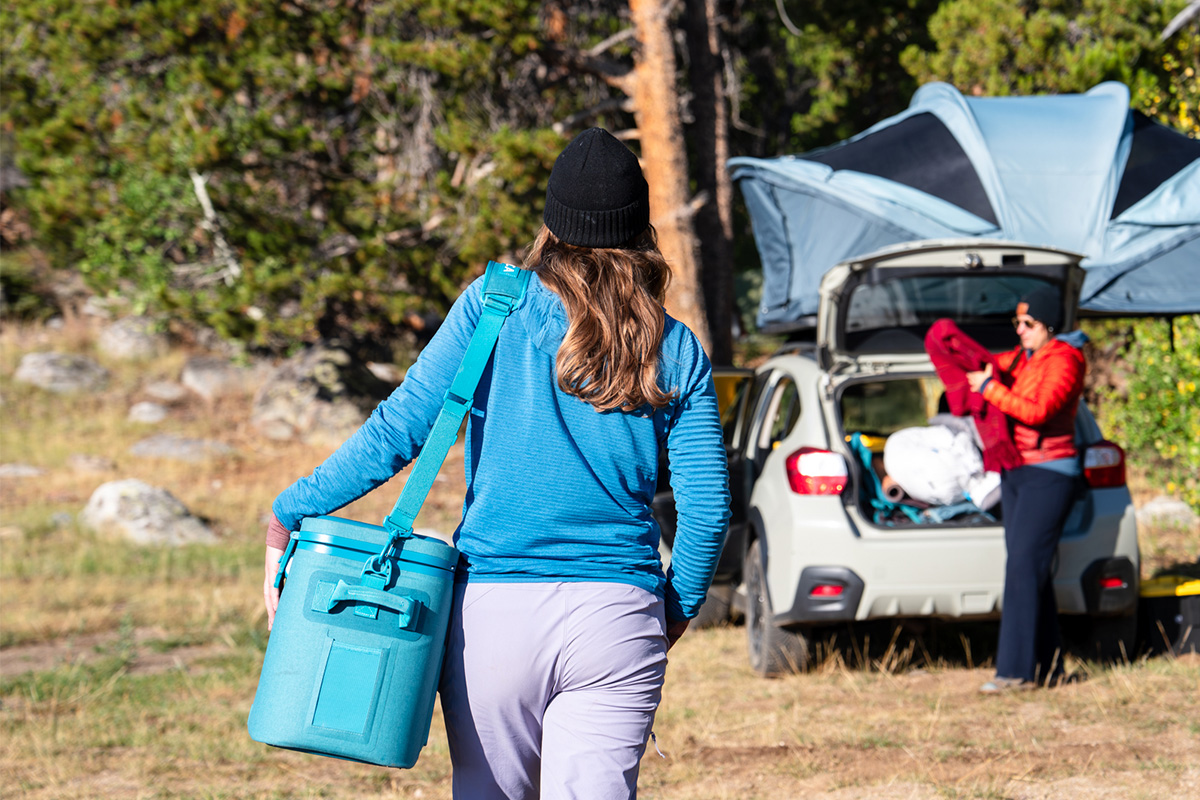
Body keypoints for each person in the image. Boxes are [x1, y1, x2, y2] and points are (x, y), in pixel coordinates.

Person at [261, 127, 731, 798]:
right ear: (640, 229)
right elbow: (708, 510)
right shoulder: (675, 346)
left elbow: (399, 431)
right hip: (617, 615)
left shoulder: (493, 309)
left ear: (551, 225)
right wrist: (672, 610)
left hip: (492, 613)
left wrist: (290, 511)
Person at [966, 285, 1087, 693]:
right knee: (1031, 571)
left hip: (1050, 473)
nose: (1019, 330)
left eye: (1028, 323)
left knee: (1020, 567)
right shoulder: (1026, 357)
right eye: (1016, 322)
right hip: (1017, 471)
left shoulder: (1065, 360)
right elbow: (987, 363)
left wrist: (989, 389)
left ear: (1049, 325)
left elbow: (1038, 412)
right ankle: (1050, 668)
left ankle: (1015, 673)